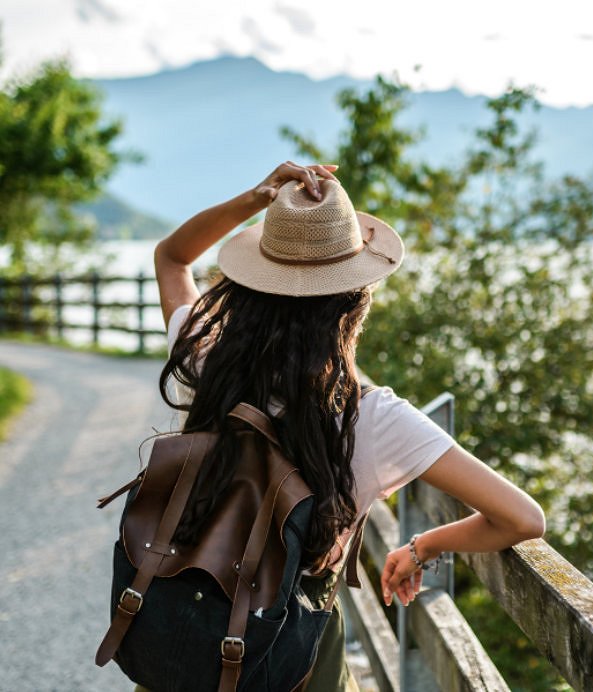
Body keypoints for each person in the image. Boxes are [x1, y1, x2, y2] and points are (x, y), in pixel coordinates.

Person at [152, 160, 546, 689]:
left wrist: (258, 197)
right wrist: (421, 547)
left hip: (185, 627)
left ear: (249, 285)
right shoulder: (375, 418)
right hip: (294, 654)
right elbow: (522, 518)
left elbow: (172, 256)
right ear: (355, 301)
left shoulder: (205, 359)